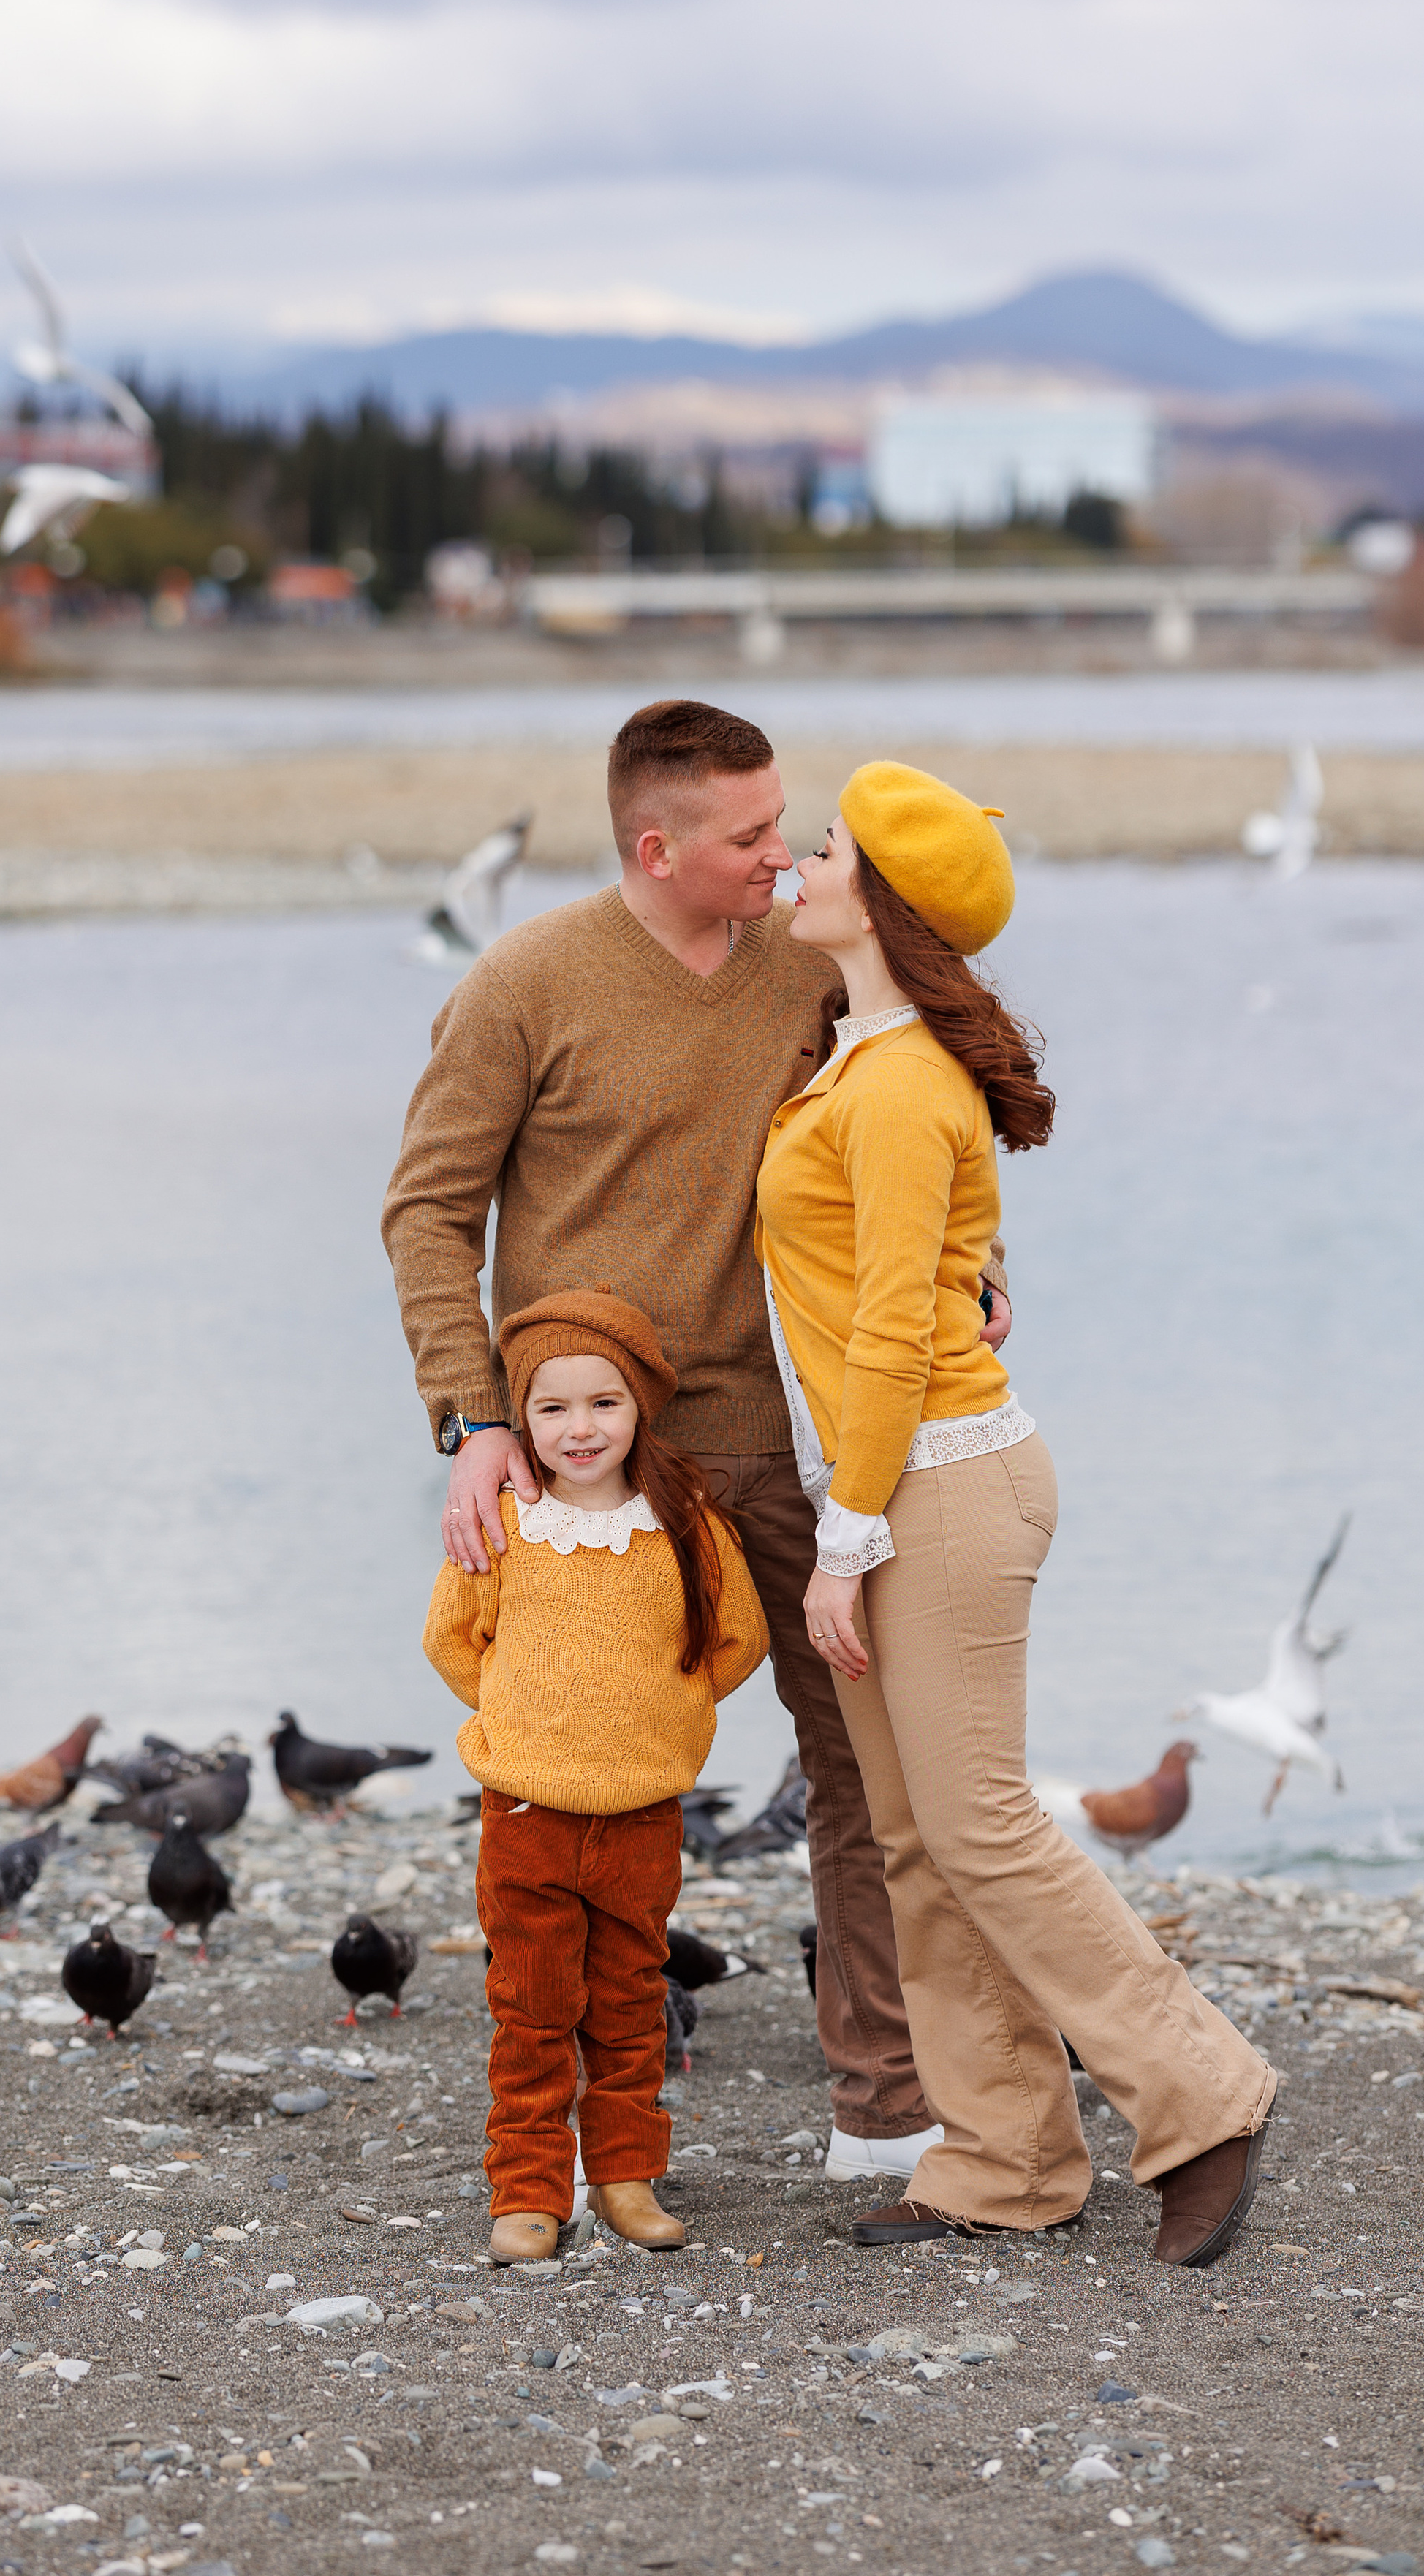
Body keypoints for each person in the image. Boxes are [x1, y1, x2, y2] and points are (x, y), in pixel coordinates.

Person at [385, 700, 1008, 2181]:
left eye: (784, 824)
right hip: (577, 1454)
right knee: (566, 1787)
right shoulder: (523, 981)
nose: (781, 856)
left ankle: (883, 2100)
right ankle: (557, 2121)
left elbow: (897, 1125)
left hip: (764, 1434)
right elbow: (427, 1213)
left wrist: (966, 1272)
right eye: (747, 836)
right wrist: (474, 1420)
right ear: (654, 847)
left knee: (856, 1760)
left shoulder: (808, 968)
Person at [755, 761, 1277, 2265]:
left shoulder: (903, 1083)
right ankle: (1001, 2158)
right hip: (889, 1478)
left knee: (976, 1826)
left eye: (830, 850)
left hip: (935, 1485)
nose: (801, 860)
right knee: (917, 1838)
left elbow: (889, 1341)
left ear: (884, 902)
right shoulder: (852, 1059)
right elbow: (925, 1278)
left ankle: (1202, 2093)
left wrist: (845, 1540)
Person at [421, 1289, 770, 2261]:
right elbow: (452, 1641)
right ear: (521, 1419)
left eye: (604, 1404)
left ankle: (625, 2177)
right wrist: (522, 1717)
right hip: (526, 1814)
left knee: (628, 2006)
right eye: (553, 1408)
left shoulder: (686, 1524)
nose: (580, 1429)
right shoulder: (504, 1523)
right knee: (531, 2011)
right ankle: (530, 2190)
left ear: (642, 1407)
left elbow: (738, 1639)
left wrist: (666, 1714)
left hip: (642, 1816)